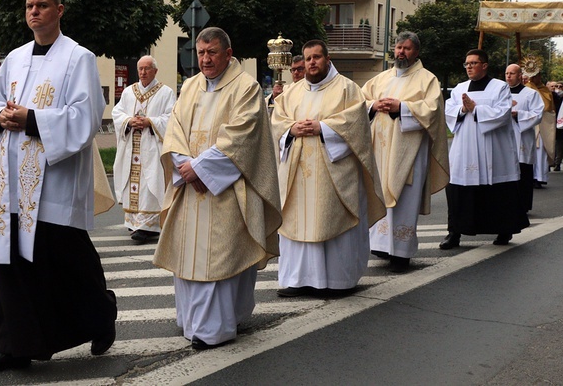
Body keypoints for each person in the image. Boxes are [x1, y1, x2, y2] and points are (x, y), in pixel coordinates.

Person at [0, 0, 117, 375]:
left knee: (66, 260)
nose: (34, 12)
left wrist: (32, 120)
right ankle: (12, 346)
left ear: (59, 10)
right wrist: (0, 118)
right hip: (10, 180)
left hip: (54, 180)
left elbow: (86, 118)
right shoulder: (15, 58)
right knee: (8, 263)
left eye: (42, 5)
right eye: (29, 7)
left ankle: (102, 312)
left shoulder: (78, 58)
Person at [154, 27, 282, 350]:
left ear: (228, 53)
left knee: (221, 258)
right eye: (200, 53)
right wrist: (185, 166)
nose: (205, 60)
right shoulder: (192, 86)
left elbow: (241, 136)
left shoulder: (246, 88)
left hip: (226, 191)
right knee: (188, 257)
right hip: (190, 188)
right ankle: (192, 322)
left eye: (212, 53)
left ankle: (216, 328)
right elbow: (175, 129)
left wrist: (199, 168)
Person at [270, 39, 385, 295]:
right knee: (296, 221)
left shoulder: (347, 89)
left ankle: (336, 281)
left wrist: (322, 128)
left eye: (316, 57)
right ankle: (296, 280)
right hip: (297, 174)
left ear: (327, 59)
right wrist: (291, 129)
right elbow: (276, 123)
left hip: (333, 173)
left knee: (329, 219)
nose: (312, 63)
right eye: (308, 58)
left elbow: (356, 125)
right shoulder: (292, 92)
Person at [361, 32, 449, 273]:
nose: (401, 52)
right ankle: (380, 245)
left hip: (409, 152)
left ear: (416, 52)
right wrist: (373, 105)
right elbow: (360, 100)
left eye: (407, 48)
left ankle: (401, 252)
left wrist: (403, 108)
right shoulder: (380, 78)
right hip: (379, 149)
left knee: (404, 199)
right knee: (380, 194)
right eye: (398, 47)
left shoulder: (427, 79)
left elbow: (432, 110)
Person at [441, 50, 527, 249]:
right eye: (467, 64)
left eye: (473, 63)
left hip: (494, 148)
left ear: (485, 65)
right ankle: (454, 232)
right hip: (465, 147)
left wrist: (476, 108)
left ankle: (504, 229)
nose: (469, 67)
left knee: (499, 191)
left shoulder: (500, 87)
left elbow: (503, 113)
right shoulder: (459, 88)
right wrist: (462, 109)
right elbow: (449, 111)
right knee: (458, 189)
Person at [112, 55, 175, 244]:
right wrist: (128, 121)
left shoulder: (166, 92)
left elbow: (171, 117)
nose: (143, 72)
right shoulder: (129, 92)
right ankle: (134, 223)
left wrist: (151, 122)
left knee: (150, 184)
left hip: (153, 148)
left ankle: (149, 226)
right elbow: (117, 112)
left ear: (155, 70)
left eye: (147, 68)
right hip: (132, 147)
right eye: (140, 69)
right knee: (133, 182)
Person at [506, 64, 544, 211]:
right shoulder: (500, 93)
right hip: (504, 138)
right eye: (507, 73)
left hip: (522, 138)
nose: (508, 76)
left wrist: (519, 115)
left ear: (520, 75)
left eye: (512, 73)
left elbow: (537, 114)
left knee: (523, 174)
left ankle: (523, 206)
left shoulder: (530, 94)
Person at [524, 67, 555, 188]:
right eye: (532, 76)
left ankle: (539, 177)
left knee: (540, 150)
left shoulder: (545, 90)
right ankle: (530, 176)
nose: (534, 78)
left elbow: (547, 107)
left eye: (536, 76)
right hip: (530, 124)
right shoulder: (526, 89)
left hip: (542, 124)